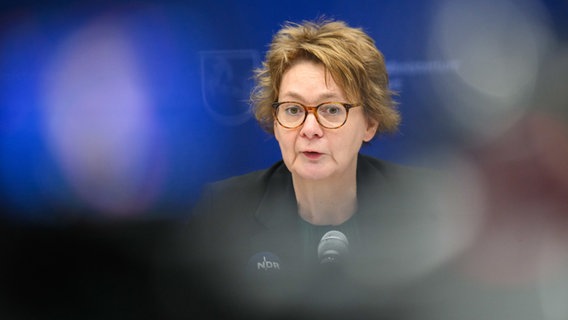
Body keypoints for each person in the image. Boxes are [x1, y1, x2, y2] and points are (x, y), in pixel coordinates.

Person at [184, 18, 438, 319]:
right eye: (293, 110)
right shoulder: (224, 211)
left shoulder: (420, 206)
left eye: (331, 110)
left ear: (370, 123)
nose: (310, 129)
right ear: (275, 122)